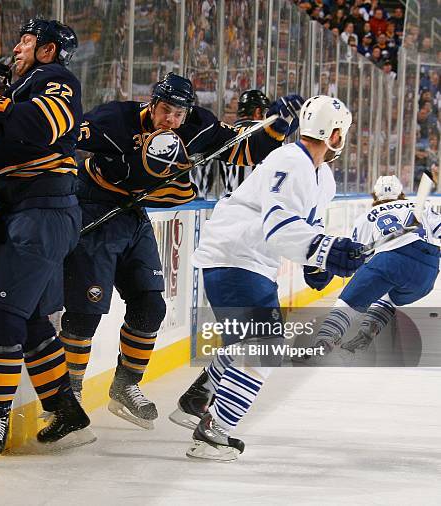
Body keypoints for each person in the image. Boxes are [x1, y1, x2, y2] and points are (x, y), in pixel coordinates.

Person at [60, 71, 305, 429]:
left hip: (131, 215)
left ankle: (126, 385)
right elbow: (65, 138)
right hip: (96, 209)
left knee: (151, 305)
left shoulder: (197, 126)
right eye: (165, 111)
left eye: (178, 114)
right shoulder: (115, 119)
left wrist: (278, 126)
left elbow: (244, 149)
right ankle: (71, 395)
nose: (171, 120)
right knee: (86, 310)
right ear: (152, 104)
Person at [170, 95, 366, 461]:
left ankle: (196, 400)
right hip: (236, 257)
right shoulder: (291, 161)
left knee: (247, 345)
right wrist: (325, 249)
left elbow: (307, 226)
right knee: (264, 349)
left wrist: (319, 264)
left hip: (249, 261)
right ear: (335, 134)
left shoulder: (322, 175)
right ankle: (214, 431)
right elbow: (279, 228)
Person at [0, 18, 94, 464]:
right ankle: (65, 410)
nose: (16, 47)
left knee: (4, 315)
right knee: (35, 321)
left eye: (26, 40)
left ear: (48, 50)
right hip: (29, 209)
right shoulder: (23, 87)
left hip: (42, 208)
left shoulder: (57, 80)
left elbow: (40, 128)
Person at [313, 175, 440, 356]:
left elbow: (359, 257)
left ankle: (320, 345)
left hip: (391, 260)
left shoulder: (365, 217)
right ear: (401, 193)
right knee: (388, 298)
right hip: (428, 270)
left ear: (374, 195)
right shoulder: (421, 206)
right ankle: (366, 335)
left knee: (347, 303)